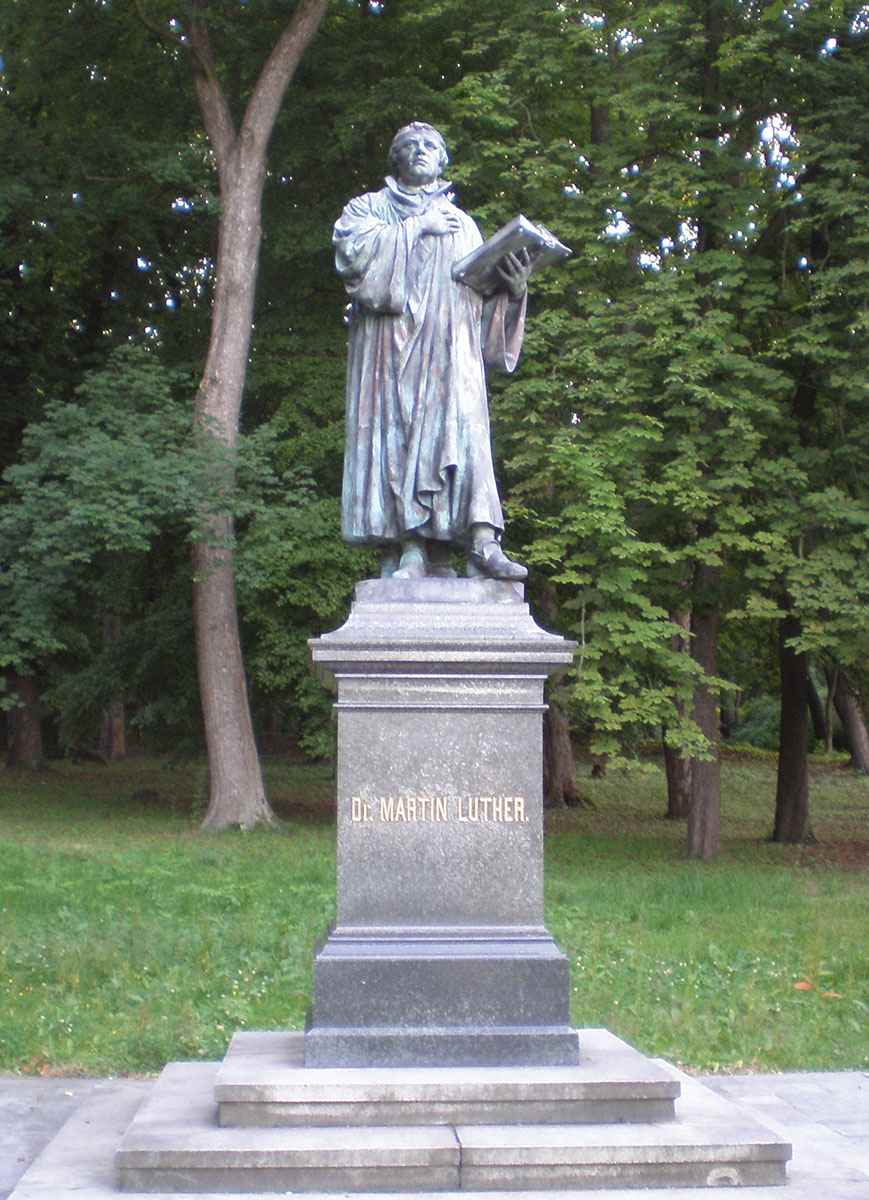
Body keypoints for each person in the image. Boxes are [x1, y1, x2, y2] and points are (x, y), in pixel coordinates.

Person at [334, 121, 532, 581]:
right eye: (411, 145)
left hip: (452, 352)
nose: (421, 150)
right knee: (399, 437)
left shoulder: (464, 225)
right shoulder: (368, 208)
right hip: (391, 350)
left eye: (431, 146)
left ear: (443, 161)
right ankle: (411, 548)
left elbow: (480, 301)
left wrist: (514, 291)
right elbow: (353, 259)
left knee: (468, 433)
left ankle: (483, 541)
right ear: (396, 158)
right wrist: (418, 227)